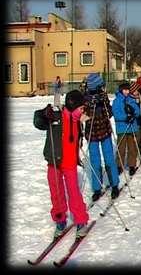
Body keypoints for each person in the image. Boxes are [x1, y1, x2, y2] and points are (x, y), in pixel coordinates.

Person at [33, 90, 90, 239]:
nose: (82, 110)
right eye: (81, 107)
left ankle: (80, 220)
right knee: (56, 192)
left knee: (73, 192)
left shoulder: (78, 119)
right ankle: (60, 219)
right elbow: (38, 121)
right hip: (54, 161)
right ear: (73, 105)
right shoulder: (57, 114)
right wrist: (44, 115)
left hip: (70, 162)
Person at [83, 73, 120, 201]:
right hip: (92, 133)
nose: (102, 88)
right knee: (95, 161)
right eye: (100, 85)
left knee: (109, 159)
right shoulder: (85, 98)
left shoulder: (103, 96)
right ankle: (97, 188)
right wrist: (91, 105)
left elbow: (109, 113)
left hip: (105, 131)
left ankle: (114, 184)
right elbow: (84, 117)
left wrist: (103, 102)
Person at [112, 82, 141, 176]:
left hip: (132, 127)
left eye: (128, 90)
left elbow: (137, 111)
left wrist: (133, 114)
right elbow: (116, 114)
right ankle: (119, 165)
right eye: (125, 90)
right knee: (121, 148)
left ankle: (132, 165)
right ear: (121, 90)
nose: (127, 92)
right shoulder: (117, 101)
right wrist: (125, 117)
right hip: (122, 128)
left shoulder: (130, 99)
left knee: (132, 147)